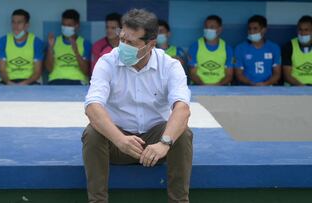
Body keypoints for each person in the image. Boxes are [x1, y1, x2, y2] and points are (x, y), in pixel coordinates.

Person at [83, 9, 193, 203]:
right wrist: (119, 139)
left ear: (150, 44)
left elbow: (182, 109)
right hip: (116, 141)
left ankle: (179, 201)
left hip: (156, 142)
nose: (123, 46)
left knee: (183, 134)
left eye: (131, 43)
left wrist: (164, 142)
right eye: (122, 38)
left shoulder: (170, 66)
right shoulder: (107, 61)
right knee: (92, 133)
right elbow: (92, 106)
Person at [0, 9, 43, 85]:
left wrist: (22, 84)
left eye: (19, 22)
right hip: (8, 81)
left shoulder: (36, 42)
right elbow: (2, 70)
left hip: (30, 82)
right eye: (13, 22)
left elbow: (37, 72)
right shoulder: (2, 41)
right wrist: (9, 83)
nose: (15, 26)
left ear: (27, 25)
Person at [45, 9, 91, 85]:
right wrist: (50, 48)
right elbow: (49, 69)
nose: (66, 27)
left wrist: (76, 52)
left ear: (77, 25)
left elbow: (86, 71)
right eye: (64, 25)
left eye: (69, 25)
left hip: (78, 82)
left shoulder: (85, 43)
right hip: (56, 81)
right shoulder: (54, 41)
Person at [235, 15, 281, 86]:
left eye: (255, 29)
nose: (251, 31)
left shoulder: (274, 48)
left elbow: (277, 73)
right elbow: (239, 74)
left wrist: (265, 84)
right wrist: (252, 83)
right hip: (246, 88)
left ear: (264, 30)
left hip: (268, 87)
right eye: (249, 29)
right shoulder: (240, 48)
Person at [187, 15, 233, 85]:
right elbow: (193, 74)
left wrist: (217, 87)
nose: (208, 30)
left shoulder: (227, 48)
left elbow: (229, 75)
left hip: (222, 89)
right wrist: (204, 87)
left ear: (219, 30)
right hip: (199, 87)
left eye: (212, 27)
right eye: (206, 27)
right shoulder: (195, 47)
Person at [282, 15, 312, 86]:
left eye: (306, 30)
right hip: (294, 87)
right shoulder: (289, 46)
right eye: (300, 29)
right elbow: (287, 76)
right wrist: (303, 88)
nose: (302, 33)